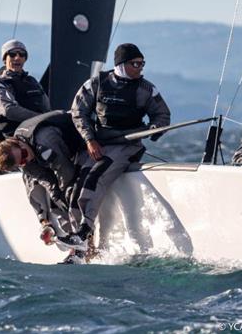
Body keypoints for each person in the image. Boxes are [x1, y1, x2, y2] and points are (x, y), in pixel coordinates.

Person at [62, 43, 171, 252]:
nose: (140, 68)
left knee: (96, 176)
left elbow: (163, 115)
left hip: (127, 145)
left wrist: (155, 129)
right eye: (135, 63)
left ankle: (84, 230)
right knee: (77, 186)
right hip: (99, 144)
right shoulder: (96, 84)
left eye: (142, 63)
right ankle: (81, 250)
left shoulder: (145, 89)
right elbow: (78, 112)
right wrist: (89, 139)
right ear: (121, 65)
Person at [0, 111, 86, 261]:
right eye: (21, 162)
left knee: (72, 191)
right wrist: (57, 205)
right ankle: (74, 243)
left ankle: (84, 237)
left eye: (23, 155)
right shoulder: (23, 159)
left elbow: (66, 174)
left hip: (82, 142)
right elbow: (49, 183)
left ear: (19, 142)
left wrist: (69, 204)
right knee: (54, 195)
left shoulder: (45, 142)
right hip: (61, 155)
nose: (25, 160)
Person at [0, 39, 50, 173]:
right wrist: (39, 119)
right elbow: (8, 110)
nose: (17, 58)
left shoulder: (33, 83)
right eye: (12, 54)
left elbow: (47, 108)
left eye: (22, 55)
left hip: (34, 141)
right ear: (5, 59)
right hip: (8, 148)